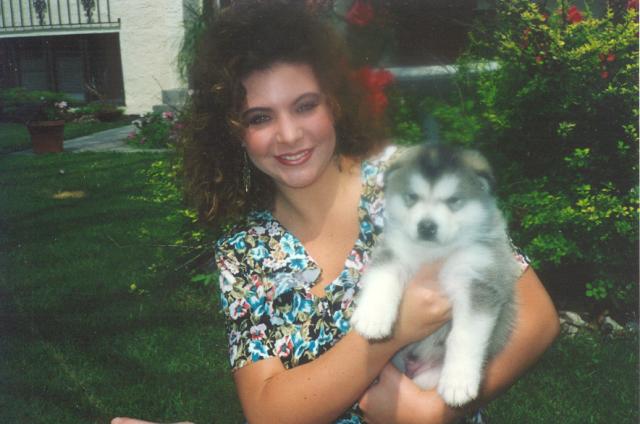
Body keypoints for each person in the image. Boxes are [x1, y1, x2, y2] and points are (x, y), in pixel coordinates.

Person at [114, 1, 559, 423]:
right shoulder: (245, 251)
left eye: (305, 106)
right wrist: (389, 335)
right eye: (260, 118)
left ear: (333, 103)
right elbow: (268, 411)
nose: (289, 135)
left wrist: (435, 412)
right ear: (233, 133)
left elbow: (536, 318)